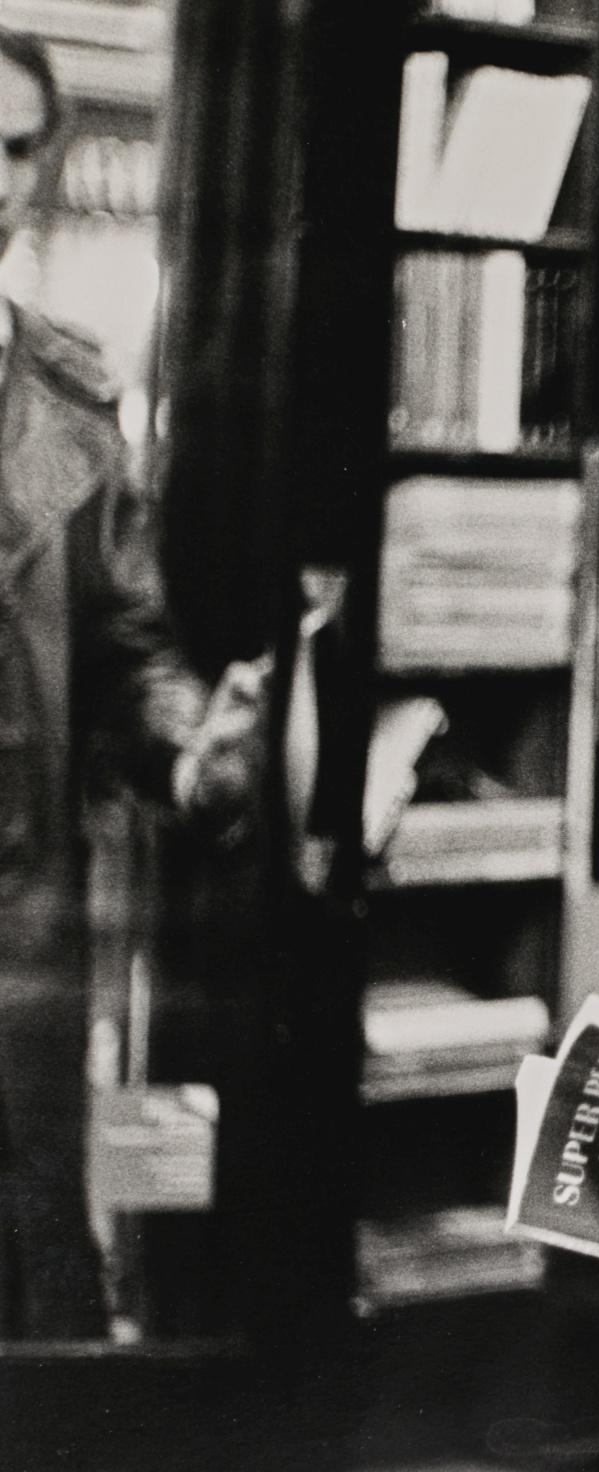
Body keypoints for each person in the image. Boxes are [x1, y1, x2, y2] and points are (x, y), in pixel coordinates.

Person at [0, 25, 263, 1339]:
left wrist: (188, 742)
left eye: (10, 147)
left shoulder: (68, 395)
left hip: (24, 939)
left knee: (31, 1284)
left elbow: (126, 652)